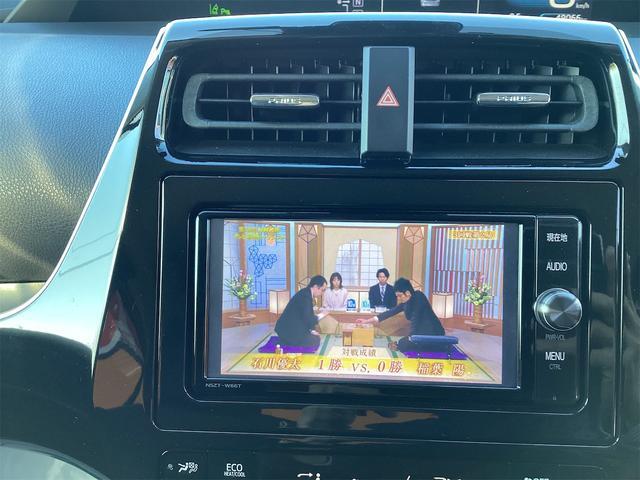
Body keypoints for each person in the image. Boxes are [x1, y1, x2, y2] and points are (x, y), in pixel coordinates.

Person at [358, 278, 445, 353]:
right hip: (420, 332)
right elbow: (390, 312)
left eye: (399, 296)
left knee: (403, 344)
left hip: (432, 334)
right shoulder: (406, 301)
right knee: (402, 343)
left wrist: (411, 338)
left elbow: (415, 320)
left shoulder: (419, 297)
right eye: (397, 296)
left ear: (407, 293)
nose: (398, 298)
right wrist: (367, 321)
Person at [274, 275, 327, 348]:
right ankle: (287, 341)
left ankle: (287, 341)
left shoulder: (306, 293)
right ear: (315, 286)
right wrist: (321, 315)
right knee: (315, 340)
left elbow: (306, 316)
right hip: (288, 329)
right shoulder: (305, 296)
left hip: (292, 326)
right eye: (322, 290)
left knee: (315, 338)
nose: (322, 293)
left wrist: (312, 331)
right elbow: (308, 318)